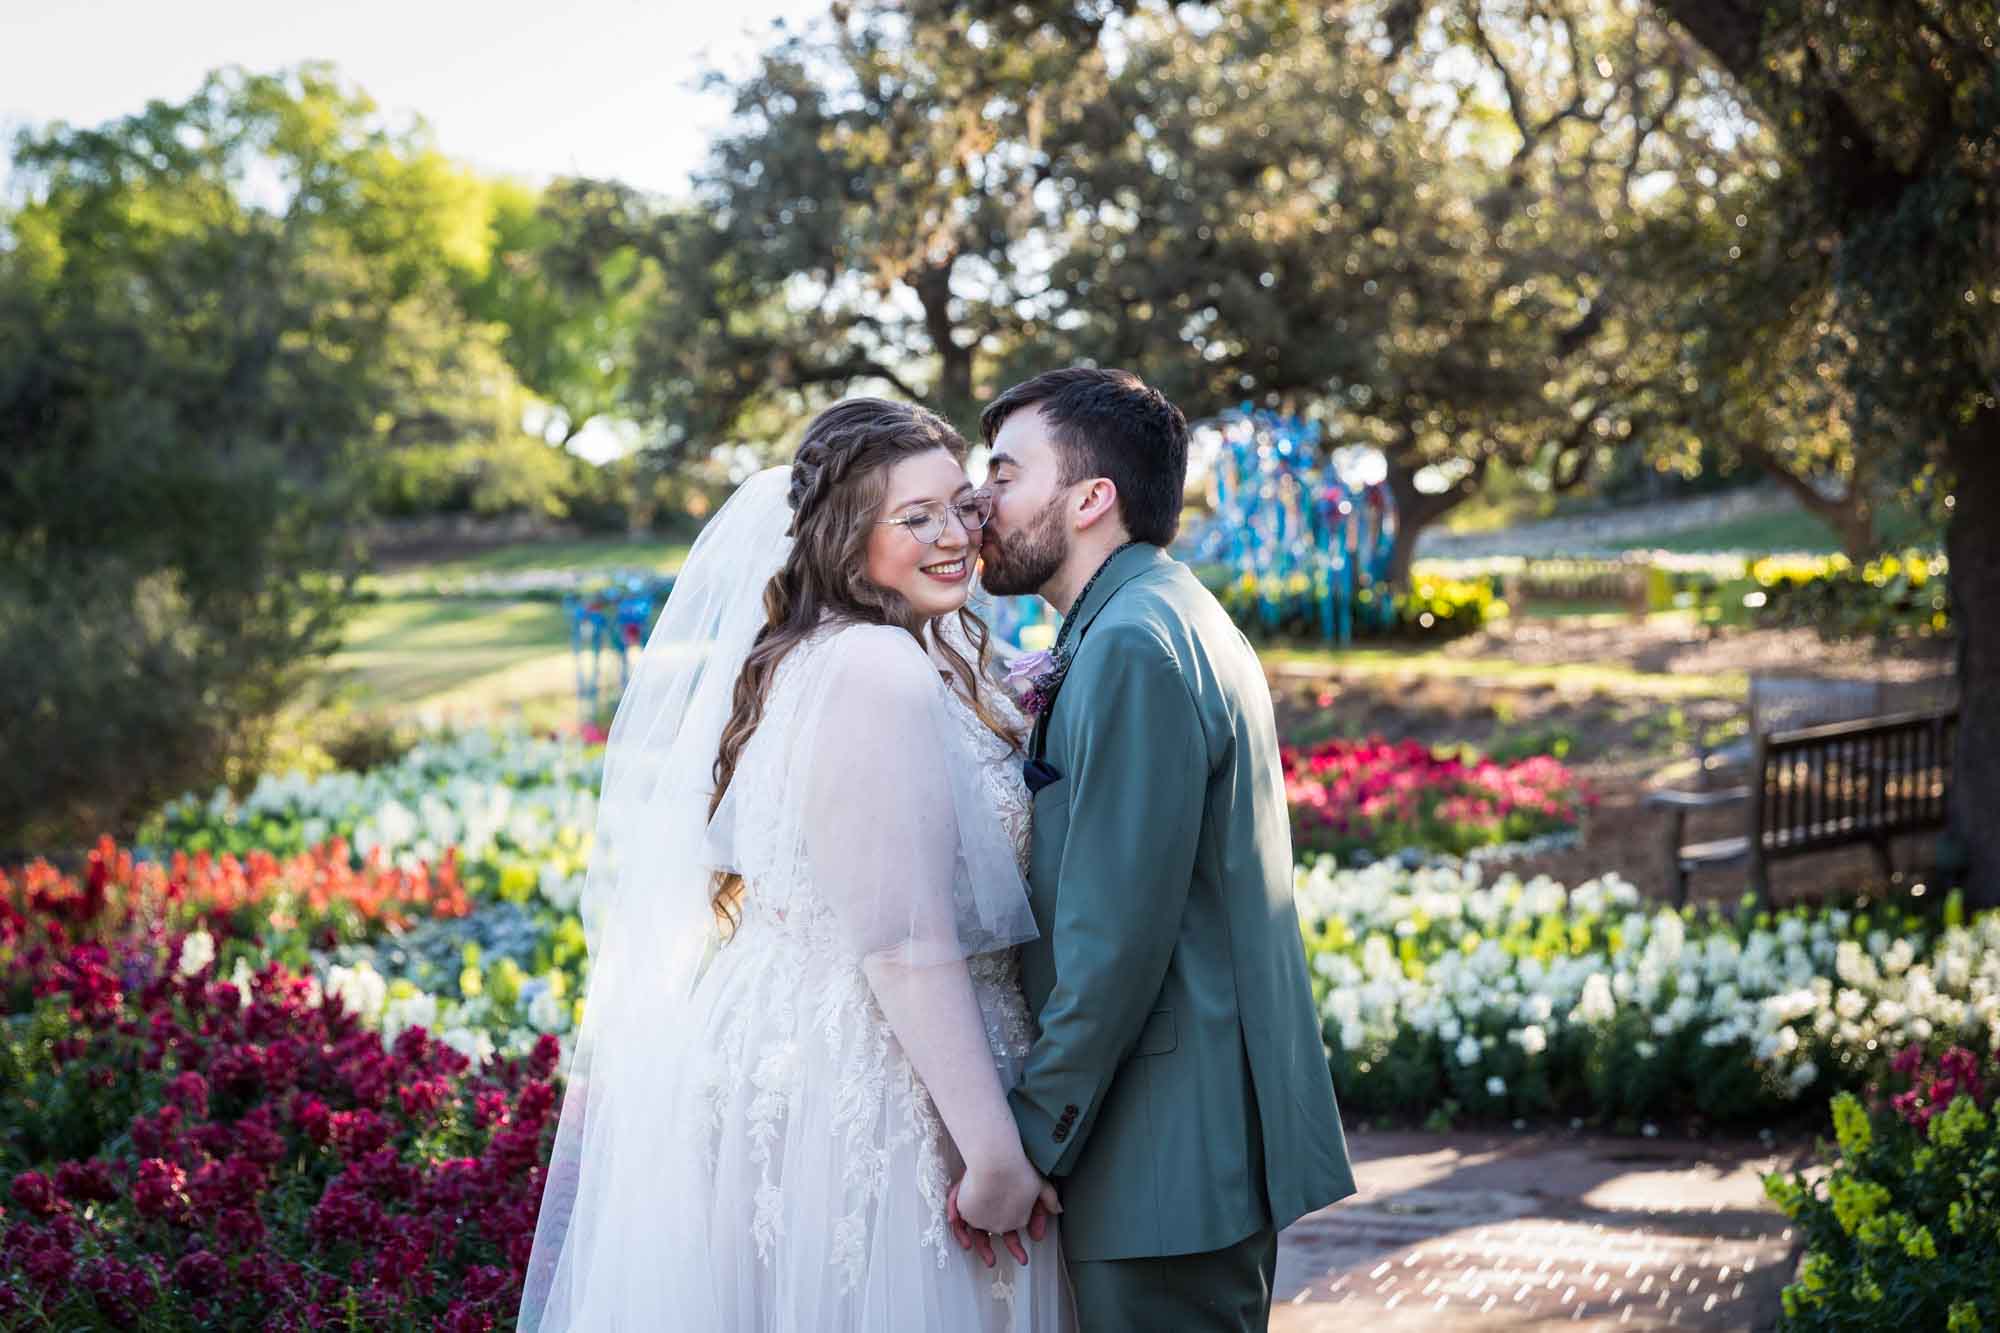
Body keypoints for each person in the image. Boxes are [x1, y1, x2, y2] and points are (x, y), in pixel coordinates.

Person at [519, 399, 1077, 1330]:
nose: (956, 538)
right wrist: (992, 1153)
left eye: (961, 507)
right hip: (881, 1073)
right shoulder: (877, 670)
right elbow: (901, 941)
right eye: (917, 518)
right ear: (845, 535)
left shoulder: (828, 655)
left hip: (794, 1043)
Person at [954, 367, 1357, 1331]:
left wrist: (1029, 1138)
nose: (979, 503)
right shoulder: (1143, 617)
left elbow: (1115, 939)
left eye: (1005, 475)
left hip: (1163, 1148)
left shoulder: (1133, 643)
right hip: (1172, 1134)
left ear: (1093, 498)